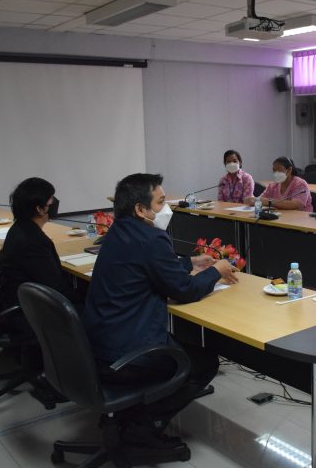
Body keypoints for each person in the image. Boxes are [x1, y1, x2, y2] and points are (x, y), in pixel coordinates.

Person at [82, 173, 238, 451]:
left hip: (98, 345)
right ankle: (141, 427)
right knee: (203, 362)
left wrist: (190, 260)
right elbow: (184, 290)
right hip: (127, 354)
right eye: (161, 202)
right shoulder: (152, 238)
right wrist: (217, 270)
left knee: (186, 346)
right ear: (141, 209)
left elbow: (147, 263)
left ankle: (128, 415)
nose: (166, 209)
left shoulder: (118, 231)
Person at [0, 178, 75, 308]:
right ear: (40, 209)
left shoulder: (19, 227)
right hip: (37, 311)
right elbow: (56, 288)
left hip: (22, 299)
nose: (55, 202)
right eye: (51, 199)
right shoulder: (34, 241)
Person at [244, 156, 312, 212]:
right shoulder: (272, 186)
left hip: (300, 221)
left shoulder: (300, 184)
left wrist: (269, 202)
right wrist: (252, 200)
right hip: (279, 219)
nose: (276, 173)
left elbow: (297, 206)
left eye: (279, 169)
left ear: (289, 170)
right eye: (274, 170)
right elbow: (260, 200)